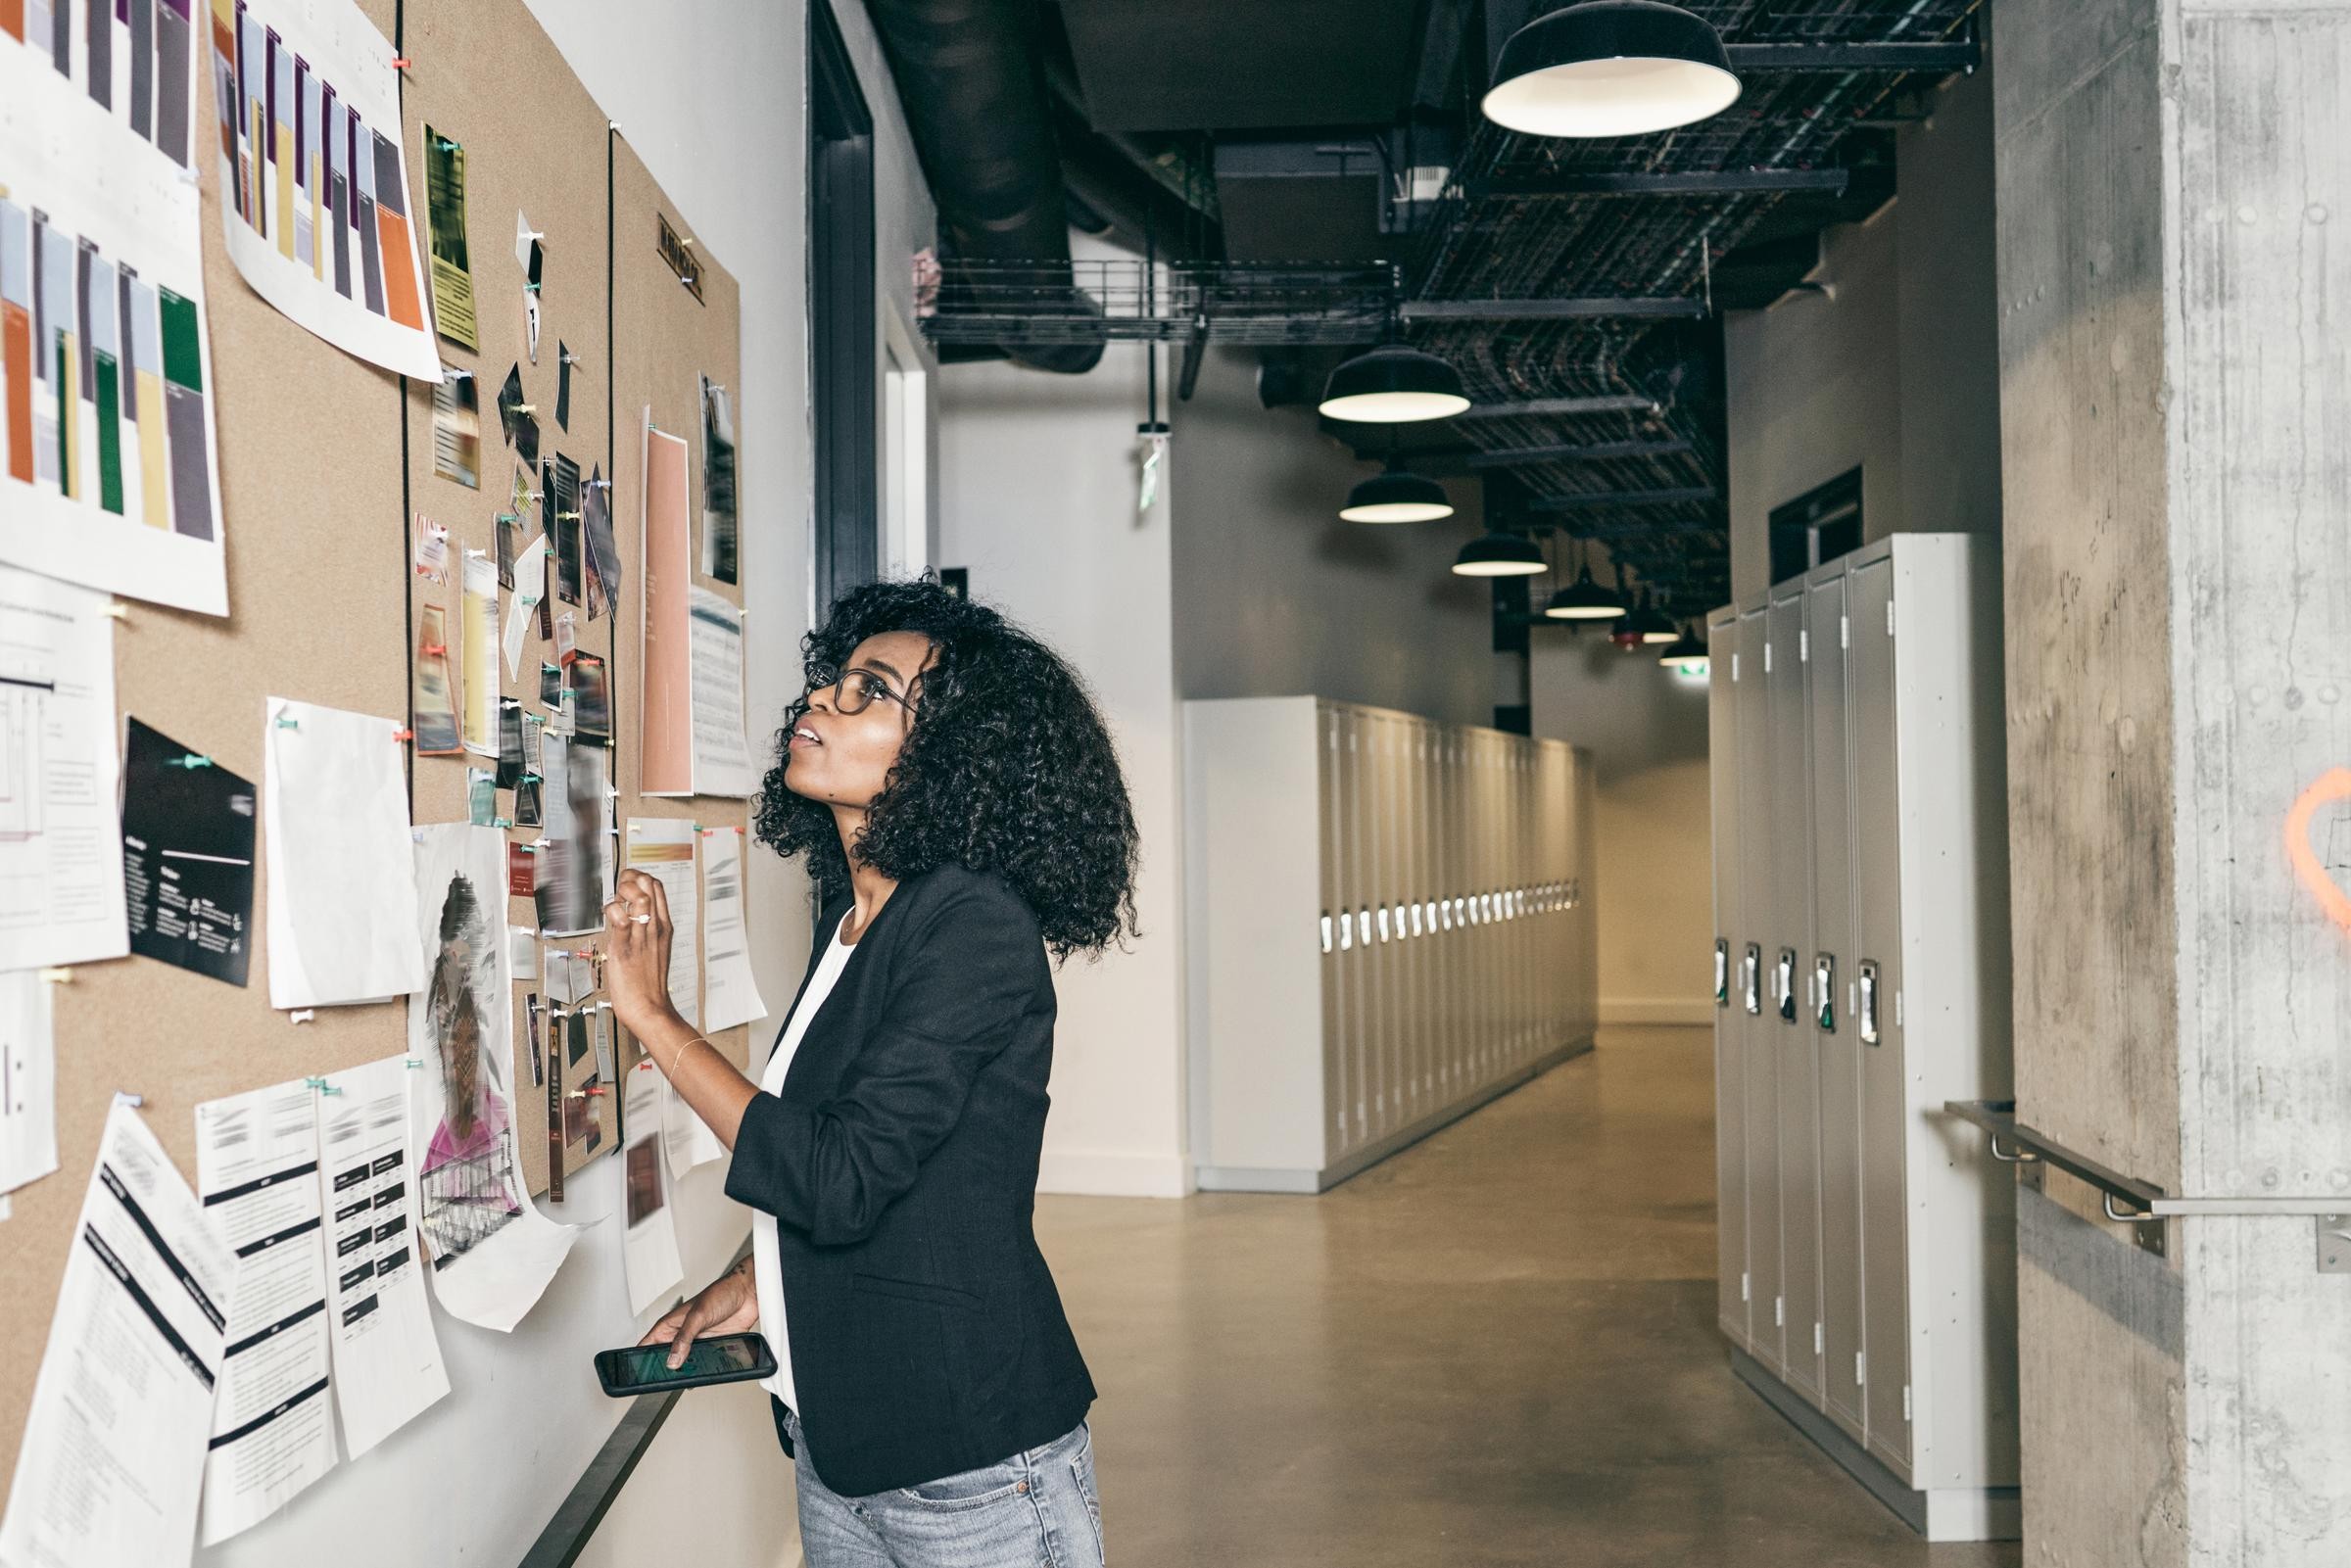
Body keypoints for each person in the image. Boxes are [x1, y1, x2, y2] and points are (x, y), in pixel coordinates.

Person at [601, 577, 1138, 1568]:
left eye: (870, 692)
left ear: (947, 754)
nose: (820, 703)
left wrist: (653, 1016)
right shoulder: (854, 921)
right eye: (831, 681)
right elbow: (884, 1165)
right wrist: (755, 1282)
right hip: (840, 1452)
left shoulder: (975, 923)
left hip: (973, 1470)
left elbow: (838, 1178)